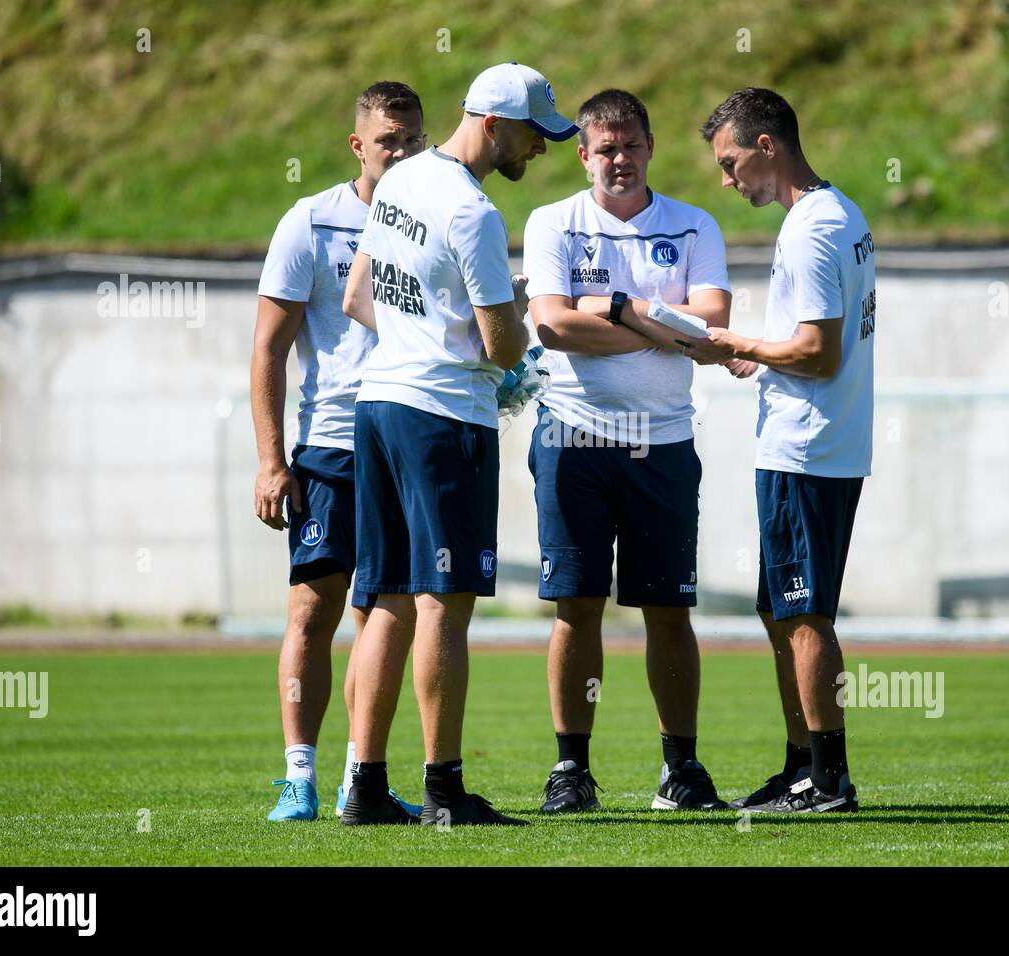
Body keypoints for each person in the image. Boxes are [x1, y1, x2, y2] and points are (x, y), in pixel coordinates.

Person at [339, 63, 579, 826]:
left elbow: (358, 297)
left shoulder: (400, 178)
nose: (540, 149)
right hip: (441, 419)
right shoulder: (472, 212)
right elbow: (505, 346)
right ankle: (444, 790)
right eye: (534, 134)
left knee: (383, 601)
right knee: (446, 603)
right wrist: (511, 323)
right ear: (495, 123)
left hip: (378, 402)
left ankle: (365, 788)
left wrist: (429, 341)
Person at [522, 89, 734, 812]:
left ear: (651, 147)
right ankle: (570, 771)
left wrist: (616, 308)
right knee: (576, 607)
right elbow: (550, 327)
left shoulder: (694, 224)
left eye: (631, 145)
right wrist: (659, 325)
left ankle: (681, 769)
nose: (620, 160)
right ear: (582, 156)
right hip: (570, 437)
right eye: (605, 149)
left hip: (663, 440)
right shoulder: (552, 222)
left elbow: (709, 330)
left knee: (668, 611)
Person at [695, 87, 876, 812]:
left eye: (730, 160)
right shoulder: (841, 212)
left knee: (804, 615)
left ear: (766, 147)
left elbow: (819, 353)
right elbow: (806, 345)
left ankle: (828, 779)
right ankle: (802, 766)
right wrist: (762, 356)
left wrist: (737, 342)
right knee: (783, 611)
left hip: (808, 448)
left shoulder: (811, 229)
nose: (725, 177)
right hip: (817, 445)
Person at [252, 81, 426, 822]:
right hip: (329, 445)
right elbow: (267, 349)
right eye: (389, 140)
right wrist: (270, 460)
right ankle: (299, 777)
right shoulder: (311, 222)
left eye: (414, 138)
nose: (404, 151)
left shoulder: (435, 218)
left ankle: (367, 776)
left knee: (384, 615)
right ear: (359, 146)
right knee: (311, 614)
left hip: (408, 436)